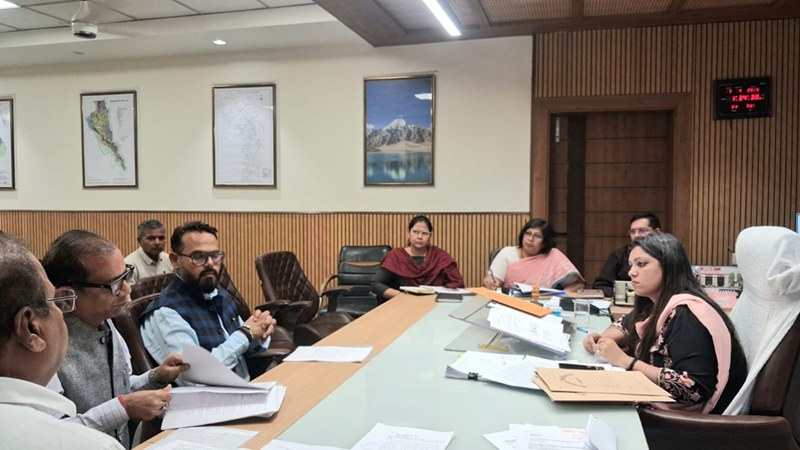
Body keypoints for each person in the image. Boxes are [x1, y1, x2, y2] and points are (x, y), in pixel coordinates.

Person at [42, 230, 189, 448]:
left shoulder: (107, 321)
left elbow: (121, 387)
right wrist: (124, 408)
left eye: (125, 276)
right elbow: (54, 433)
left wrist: (156, 376)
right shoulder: (44, 347)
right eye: (113, 285)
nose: (127, 289)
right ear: (66, 295)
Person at [582, 232, 747, 413]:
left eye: (641, 264)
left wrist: (625, 361)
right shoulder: (656, 301)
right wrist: (604, 338)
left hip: (684, 420)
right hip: (657, 403)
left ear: (668, 265)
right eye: (631, 265)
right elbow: (626, 323)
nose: (631, 272)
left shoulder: (687, 315)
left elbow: (693, 389)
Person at [0, 233, 125, 449]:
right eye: (55, 302)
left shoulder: (108, 326)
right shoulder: (89, 445)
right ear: (31, 329)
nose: (126, 290)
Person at [140, 221, 277, 383]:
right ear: (175, 260)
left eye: (215, 255)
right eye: (198, 256)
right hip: (212, 397)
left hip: (247, 386)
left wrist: (261, 330)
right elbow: (194, 376)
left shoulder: (217, 294)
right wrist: (246, 334)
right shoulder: (166, 312)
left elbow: (243, 344)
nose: (210, 263)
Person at [371, 215, 465, 301]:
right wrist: (403, 296)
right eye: (415, 232)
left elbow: (458, 284)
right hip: (402, 303)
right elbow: (376, 284)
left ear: (430, 236)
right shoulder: (396, 256)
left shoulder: (440, 257)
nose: (420, 237)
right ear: (408, 233)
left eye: (425, 233)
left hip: (432, 303)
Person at [482, 218, 584, 291]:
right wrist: (490, 282)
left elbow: (577, 284)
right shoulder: (507, 253)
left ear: (545, 243)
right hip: (511, 304)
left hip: (544, 306)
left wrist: (559, 298)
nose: (530, 239)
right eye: (528, 233)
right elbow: (493, 280)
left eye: (537, 236)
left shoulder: (553, 256)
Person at [592, 212, 661, 297]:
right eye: (632, 232)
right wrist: (624, 296)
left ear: (657, 232)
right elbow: (600, 285)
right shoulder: (619, 255)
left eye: (642, 231)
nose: (636, 235)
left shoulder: (667, 254)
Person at [124, 219, 173, 284]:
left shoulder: (168, 259)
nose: (157, 242)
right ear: (139, 241)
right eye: (151, 238)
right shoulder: (130, 264)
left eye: (161, 238)